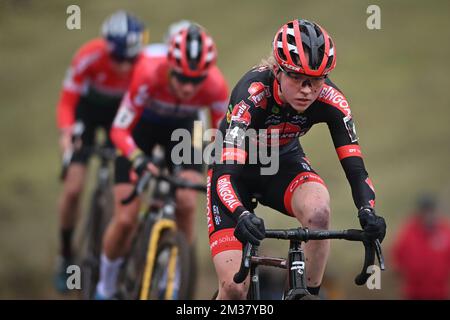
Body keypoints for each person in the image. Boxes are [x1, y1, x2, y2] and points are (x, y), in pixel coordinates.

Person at [207, 19, 387, 299]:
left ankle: (307, 294)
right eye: (296, 77)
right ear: (277, 70)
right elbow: (226, 174)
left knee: (319, 212)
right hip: (235, 173)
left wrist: (367, 211)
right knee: (233, 288)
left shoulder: (332, 100)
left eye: (316, 79)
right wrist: (241, 214)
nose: (307, 89)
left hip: (283, 164)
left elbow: (356, 168)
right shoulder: (251, 95)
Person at [94, 23, 229, 299]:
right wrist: (138, 159)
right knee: (126, 219)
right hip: (140, 131)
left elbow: (221, 137)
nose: (188, 87)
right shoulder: (147, 74)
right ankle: (104, 288)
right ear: (169, 66)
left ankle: (178, 271)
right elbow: (119, 130)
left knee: (187, 200)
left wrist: (221, 171)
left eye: (196, 80)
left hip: (183, 132)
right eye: (181, 78)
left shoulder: (215, 87)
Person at [54, 10, 147, 292]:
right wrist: (68, 134)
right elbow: (67, 102)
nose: (123, 66)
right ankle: (66, 254)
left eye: (129, 59)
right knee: (73, 188)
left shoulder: (140, 65)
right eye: (119, 58)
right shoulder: (89, 56)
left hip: (117, 118)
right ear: (109, 48)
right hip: (88, 115)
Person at [391, 193, 450, 299]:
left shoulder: (444, 230)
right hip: (414, 293)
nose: (429, 215)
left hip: (439, 292)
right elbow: (397, 256)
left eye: (431, 210)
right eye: (425, 211)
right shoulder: (408, 232)